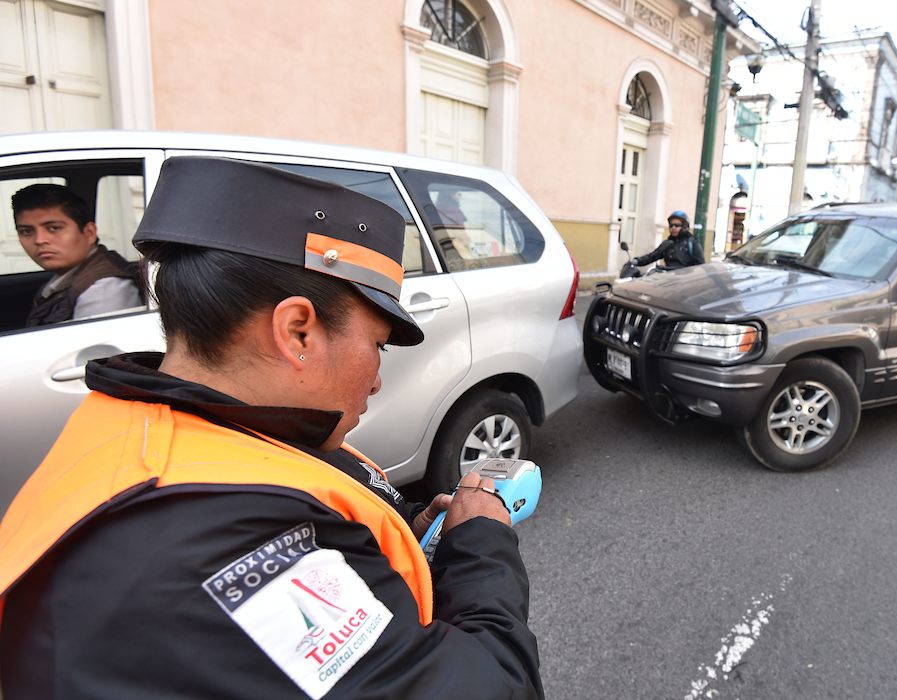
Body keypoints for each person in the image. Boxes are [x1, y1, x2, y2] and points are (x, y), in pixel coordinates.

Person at [0, 158, 542, 699]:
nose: (376, 382)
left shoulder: (139, 423)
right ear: (297, 331)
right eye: (377, 345)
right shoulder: (235, 545)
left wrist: (403, 535)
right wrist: (482, 543)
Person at [13, 183, 142, 326]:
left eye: (54, 228)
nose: (39, 240)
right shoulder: (69, 276)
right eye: (26, 231)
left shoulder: (105, 289)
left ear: (89, 233)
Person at [633, 209, 704, 270]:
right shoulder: (667, 244)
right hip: (668, 280)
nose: (673, 228)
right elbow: (652, 256)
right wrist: (637, 261)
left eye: (677, 225)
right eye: (671, 225)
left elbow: (701, 265)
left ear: (685, 227)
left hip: (685, 282)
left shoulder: (692, 242)